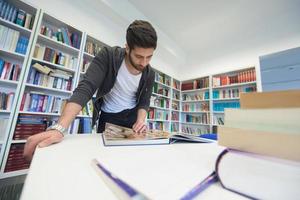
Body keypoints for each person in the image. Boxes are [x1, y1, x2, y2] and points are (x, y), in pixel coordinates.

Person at [23, 20, 157, 161]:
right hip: (109, 117)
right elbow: (86, 87)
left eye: (149, 57)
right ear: (128, 48)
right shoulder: (108, 56)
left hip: (132, 118)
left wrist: (141, 120)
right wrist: (60, 128)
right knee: (107, 158)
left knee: (131, 158)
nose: (144, 63)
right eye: (139, 56)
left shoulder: (150, 73)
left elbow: (144, 101)